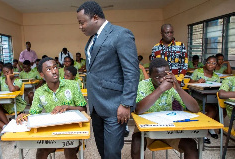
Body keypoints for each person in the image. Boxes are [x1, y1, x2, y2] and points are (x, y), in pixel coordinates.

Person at [77, 1, 139, 158]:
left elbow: (132, 72)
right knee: (102, 149)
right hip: (96, 106)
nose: (80, 26)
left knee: (112, 153)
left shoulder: (121, 34)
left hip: (115, 106)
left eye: (82, 22)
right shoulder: (92, 40)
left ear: (95, 18)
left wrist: (126, 103)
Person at [16, 57, 87, 159]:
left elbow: (84, 110)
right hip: (52, 132)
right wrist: (24, 116)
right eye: (49, 69)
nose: (54, 71)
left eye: (55, 67)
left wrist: (67, 107)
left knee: (69, 150)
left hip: (72, 130)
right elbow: (34, 113)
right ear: (42, 75)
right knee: (41, 151)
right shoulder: (40, 92)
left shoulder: (72, 85)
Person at [131, 58, 199, 159]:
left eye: (164, 76)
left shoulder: (172, 85)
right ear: (150, 75)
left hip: (168, 129)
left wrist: (179, 89)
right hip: (146, 130)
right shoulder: (142, 85)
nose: (162, 80)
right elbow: (139, 110)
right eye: (157, 77)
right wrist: (161, 89)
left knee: (191, 145)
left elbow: (195, 109)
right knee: (136, 144)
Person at [151, 24, 188, 111]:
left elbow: (184, 65)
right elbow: (153, 67)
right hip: (161, 84)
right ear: (162, 33)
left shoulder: (180, 46)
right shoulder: (156, 48)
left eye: (171, 32)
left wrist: (177, 80)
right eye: (167, 32)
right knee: (162, 108)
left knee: (177, 109)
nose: (169, 34)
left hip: (177, 83)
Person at [189, 56, 220, 144]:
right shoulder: (198, 72)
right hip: (197, 100)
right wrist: (197, 82)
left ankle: (208, 128)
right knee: (210, 110)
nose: (211, 65)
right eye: (209, 62)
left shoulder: (216, 77)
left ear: (216, 65)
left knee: (217, 109)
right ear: (205, 63)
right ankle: (203, 132)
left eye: (214, 63)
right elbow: (189, 83)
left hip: (210, 99)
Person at [0, 63, 27, 129]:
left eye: (7, 72)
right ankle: (7, 126)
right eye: (4, 72)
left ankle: (8, 126)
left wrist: (8, 78)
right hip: (4, 104)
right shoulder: (1, 79)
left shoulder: (17, 80)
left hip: (15, 104)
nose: (5, 74)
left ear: (12, 71)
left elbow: (12, 89)